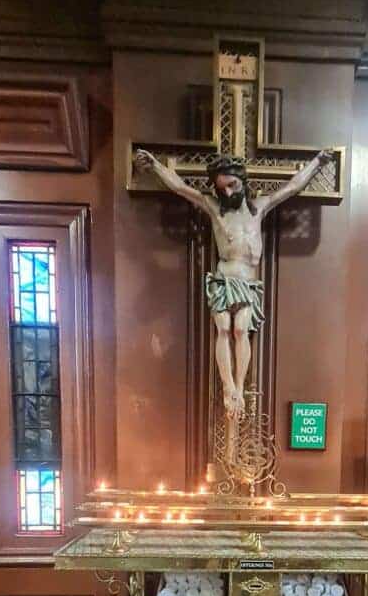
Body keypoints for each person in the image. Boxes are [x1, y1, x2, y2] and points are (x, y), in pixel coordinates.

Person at [136, 148, 330, 419]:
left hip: (247, 283)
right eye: (221, 188)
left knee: (241, 329)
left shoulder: (260, 207)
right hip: (224, 280)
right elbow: (179, 187)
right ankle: (228, 387)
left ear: (243, 181)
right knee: (224, 329)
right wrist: (155, 165)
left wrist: (318, 162)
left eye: (232, 185)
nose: (227, 192)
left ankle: (239, 387)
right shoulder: (215, 209)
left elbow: (293, 187)